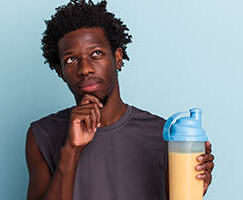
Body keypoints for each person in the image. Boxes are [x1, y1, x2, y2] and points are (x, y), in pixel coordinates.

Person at [24, 1, 215, 199]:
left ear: (117, 58)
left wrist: (191, 190)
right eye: (71, 60)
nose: (85, 69)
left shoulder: (165, 135)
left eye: (96, 53)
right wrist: (71, 150)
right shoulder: (41, 136)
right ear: (60, 72)